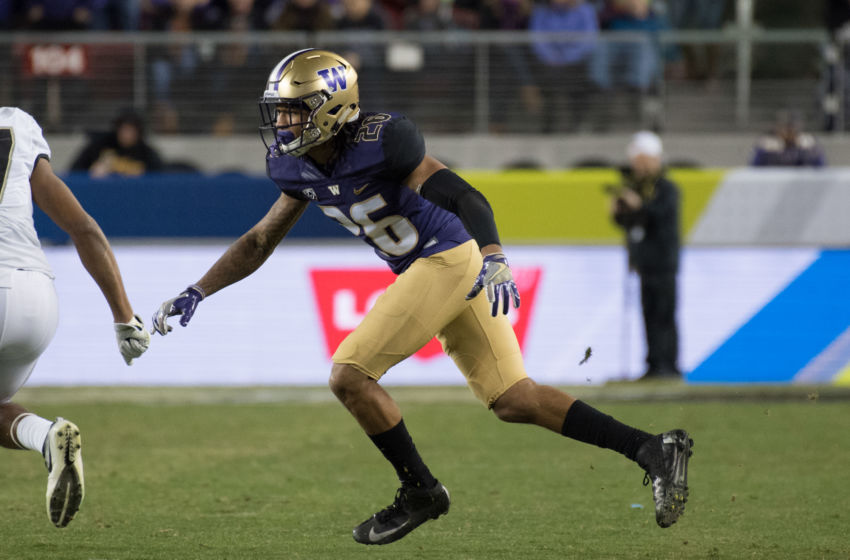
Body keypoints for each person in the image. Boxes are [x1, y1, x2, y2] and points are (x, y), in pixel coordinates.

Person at [151, 49, 693, 545]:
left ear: (333, 107)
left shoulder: (383, 139)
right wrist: (201, 288)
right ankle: (651, 449)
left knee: (349, 374)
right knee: (513, 399)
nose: (284, 123)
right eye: (281, 111)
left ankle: (420, 491)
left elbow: (461, 194)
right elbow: (260, 239)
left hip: (448, 258)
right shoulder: (293, 165)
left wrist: (496, 253)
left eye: (295, 110)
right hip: (437, 266)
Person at [0, 107, 151, 527]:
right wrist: (124, 317)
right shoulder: (16, 124)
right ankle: (48, 436)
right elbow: (83, 229)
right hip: (35, 297)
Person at [609, 131, 681, 380]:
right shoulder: (641, 189)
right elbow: (630, 222)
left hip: (663, 261)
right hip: (644, 263)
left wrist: (637, 204)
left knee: (664, 313)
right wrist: (619, 210)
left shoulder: (667, 189)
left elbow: (658, 214)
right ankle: (653, 364)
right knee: (649, 313)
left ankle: (668, 365)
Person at [70, 109, 164, 177]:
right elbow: (74, 172)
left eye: (131, 131)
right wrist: (92, 173)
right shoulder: (99, 146)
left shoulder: (146, 153)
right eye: (124, 130)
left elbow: (161, 176)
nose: (127, 135)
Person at [749, 110, 827, 167]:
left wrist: (811, 150)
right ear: (777, 128)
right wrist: (763, 151)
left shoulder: (807, 144)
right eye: (785, 128)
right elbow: (753, 169)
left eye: (792, 129)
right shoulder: (768, 144)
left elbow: (821, 168)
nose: (788, 133)